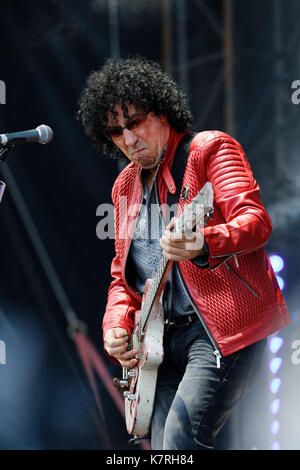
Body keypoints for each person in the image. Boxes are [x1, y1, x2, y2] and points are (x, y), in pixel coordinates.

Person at [77, 56, 290, 450]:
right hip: (156, 346)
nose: (129, 139)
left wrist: (205, 242)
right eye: (116, 132)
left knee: (180, 442)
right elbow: (123, 279)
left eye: (135, 121)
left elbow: (255, 221)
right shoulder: (124, 188)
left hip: (219, 334)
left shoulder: (209, 150)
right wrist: (114, 327)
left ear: (162, 112)